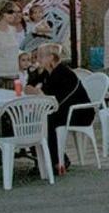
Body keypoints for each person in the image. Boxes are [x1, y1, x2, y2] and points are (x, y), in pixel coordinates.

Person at [25, 43, 93, 174]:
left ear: (51, 57)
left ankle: (57, 160)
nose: (37, 60)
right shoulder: (46, 73)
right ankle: (41, 159)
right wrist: (33, 81)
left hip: (78, 112)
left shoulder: (65, 74)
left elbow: (57, 100)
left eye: (40, 56)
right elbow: (29, 86)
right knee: (33, 119)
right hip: (59, 109)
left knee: (46, 121)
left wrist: (38, 93)